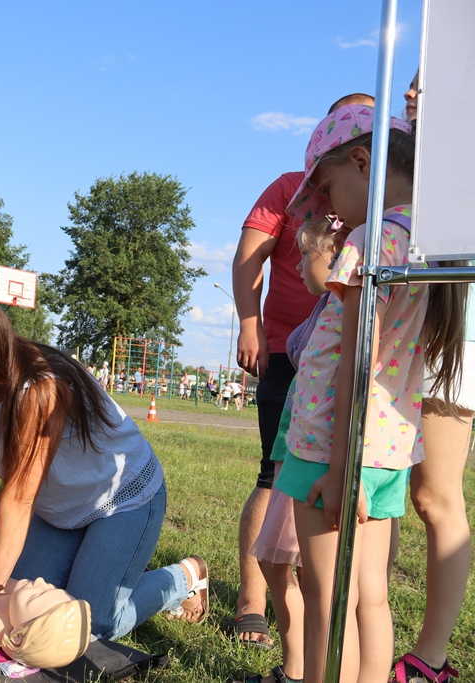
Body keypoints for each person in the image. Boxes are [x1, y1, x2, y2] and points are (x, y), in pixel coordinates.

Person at [278, 104, 465, 683]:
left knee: (325, 603)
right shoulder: (425, 240)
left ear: (363, 163)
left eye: (329, 192)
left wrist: (341, 465)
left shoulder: (372, 240)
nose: (329, 213)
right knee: (370, 600)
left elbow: (355, 360)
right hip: (387, 451)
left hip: (332, 446)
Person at [0, 289, 208, 640]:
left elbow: (19, 496)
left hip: (124, 500)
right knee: (29, 612)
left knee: (91, 624)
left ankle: (183, 578)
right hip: (58, 513)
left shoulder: (42, 385)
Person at [229, 93, 375, 649]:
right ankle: (253, 603)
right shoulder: (291, 186)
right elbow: (249, 260)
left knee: (347, 483)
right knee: (275, 476)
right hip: (290, 356)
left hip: (356, 354)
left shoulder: (381, 200)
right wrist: (248, 324)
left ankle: (345, 608)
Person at [389, 67, 472, 683]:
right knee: (387, 489)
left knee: (434, 495)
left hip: (454, 336)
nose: (412, 93)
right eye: (411, 84)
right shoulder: (407, 158)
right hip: (403, 331)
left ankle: (431, 659)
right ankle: (371, 623)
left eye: (427, 81)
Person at [241, 217, 344, 683]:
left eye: (307, 255)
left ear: (340, 258)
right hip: (292, 452)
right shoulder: (324, 308)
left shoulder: (348, 315)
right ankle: (297, 667)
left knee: (295, 566)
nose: (298, 264)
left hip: (313, 459)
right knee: (274, 560)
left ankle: (305, 669)